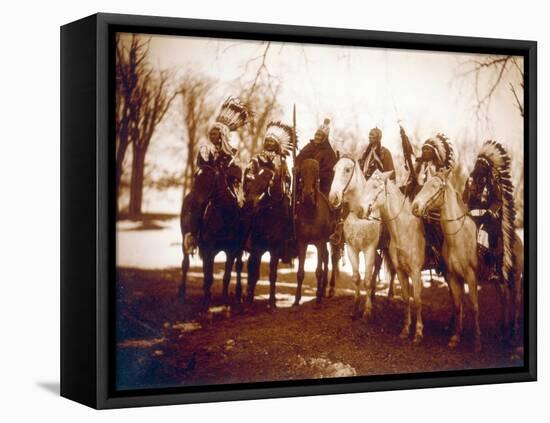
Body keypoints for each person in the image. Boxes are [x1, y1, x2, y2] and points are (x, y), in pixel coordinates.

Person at [183, 97, 250, 253]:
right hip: (207, 186)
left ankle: (240, 240)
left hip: (226, 186)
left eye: (215, 133)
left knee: (240, 207)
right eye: (211, 133)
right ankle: (193, 235)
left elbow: (237, 170)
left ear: (222, 135)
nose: (212, 136)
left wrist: (228, 175)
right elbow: (201, 166)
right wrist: (209, 173)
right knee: (198, 205)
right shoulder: (205, 150)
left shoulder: (233, 153)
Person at [244, 121, 295, 262]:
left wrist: (286, 185)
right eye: (267, 141)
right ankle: (245, 240)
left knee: (287, 211)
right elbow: (248, 174)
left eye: (272, 142)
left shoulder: (282, 161)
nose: (269, 144)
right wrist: (253, 185)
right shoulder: (256, 159)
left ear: (277, 145)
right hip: (257, 192)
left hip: (277, 196)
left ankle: (286, 246)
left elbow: (287, 178)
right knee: (248, 210)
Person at [294, 118, 338, 196]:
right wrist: (297, 167)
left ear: (324, 138)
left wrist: (314, 176)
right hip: (303, 183)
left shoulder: (329, 153)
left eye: (320, 135)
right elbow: (299, 159)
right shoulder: (308, 147)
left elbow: (329, 172)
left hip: (320, 186)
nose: (317, 137)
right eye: (316, 135)